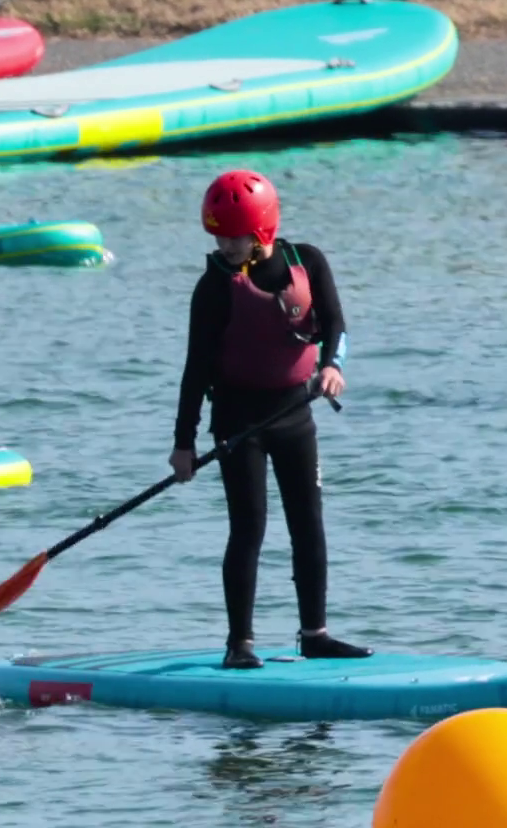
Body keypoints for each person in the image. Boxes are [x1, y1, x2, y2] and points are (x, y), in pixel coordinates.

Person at [170, 169, 369, 670]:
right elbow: (195, 369)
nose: (224, 246)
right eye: (218, 236)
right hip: (239, 423)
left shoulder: (308, 261)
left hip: (295, 413)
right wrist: (183, 443)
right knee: (249, 528)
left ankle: (315, 635)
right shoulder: (213, 288)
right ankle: (239, 644)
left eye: (233, 237)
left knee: (308, 524)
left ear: (262, 229)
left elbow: (336, 324)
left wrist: (332, 366)